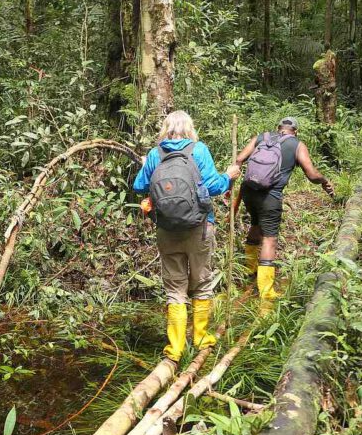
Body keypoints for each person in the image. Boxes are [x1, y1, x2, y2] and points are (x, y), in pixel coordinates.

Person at [133, 111, 241, 361]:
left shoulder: (155, 154)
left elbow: (139, 186)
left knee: (174, 289)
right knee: (202, 282)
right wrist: (229, 175)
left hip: (166, 229)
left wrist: (146, 166)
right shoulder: (199, 150)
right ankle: (201, 337)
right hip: (200, 227)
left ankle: (175, 348)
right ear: (189, 128)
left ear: (165, 128)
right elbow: (214, 187)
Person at [235, 116, 335, 315]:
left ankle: (250, 270)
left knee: (255, 224)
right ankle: (266, 290)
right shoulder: (297, 145)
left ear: (278, 128)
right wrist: (324, 180)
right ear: (295, 131)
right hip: (270, 196)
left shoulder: (261, 137)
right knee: (269, 239)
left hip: (248, 190)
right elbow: (312, 174)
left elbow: (239, 159)